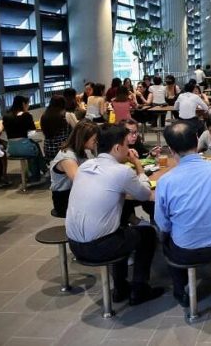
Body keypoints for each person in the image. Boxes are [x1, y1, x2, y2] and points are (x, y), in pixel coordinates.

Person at [65, 124, 163, 305]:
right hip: (98, 247)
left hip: (74, 243)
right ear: (118, 147)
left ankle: (120, 287)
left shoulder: (86, 165)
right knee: (147, 234)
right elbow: (145, 194)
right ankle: (139, 289)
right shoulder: (122, 171)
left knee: (121, 229)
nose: (129, 149)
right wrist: (138, 166)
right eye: (127, 144)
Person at [155, 120, 211, 307]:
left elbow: (163, 224)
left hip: (184, 251)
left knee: (166, 238)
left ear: (170, 149)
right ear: (196, 139)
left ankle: (181, 291)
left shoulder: (165, 181)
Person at [49, 120, 98, 218]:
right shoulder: (68, 158)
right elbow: (80, 182)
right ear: (84, 139)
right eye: (94, 139)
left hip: (74, 195)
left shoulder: (79, 151)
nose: (97, 142)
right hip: (64, 199)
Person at [3, 95, 48, 183]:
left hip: (10, 149)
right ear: (23, 104)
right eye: (28, 103)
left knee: (34, 146)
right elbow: (32, 131)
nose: (29, 106)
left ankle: (40, 172)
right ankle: (39, 173)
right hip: (24, 147)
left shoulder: (6, 116)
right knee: (35, 148)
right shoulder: (26, 115)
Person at [40, 95, 73, 163]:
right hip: (63, 149)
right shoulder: (67, 115)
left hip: (48, 149)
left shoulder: (43, 116)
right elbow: (77, 128)